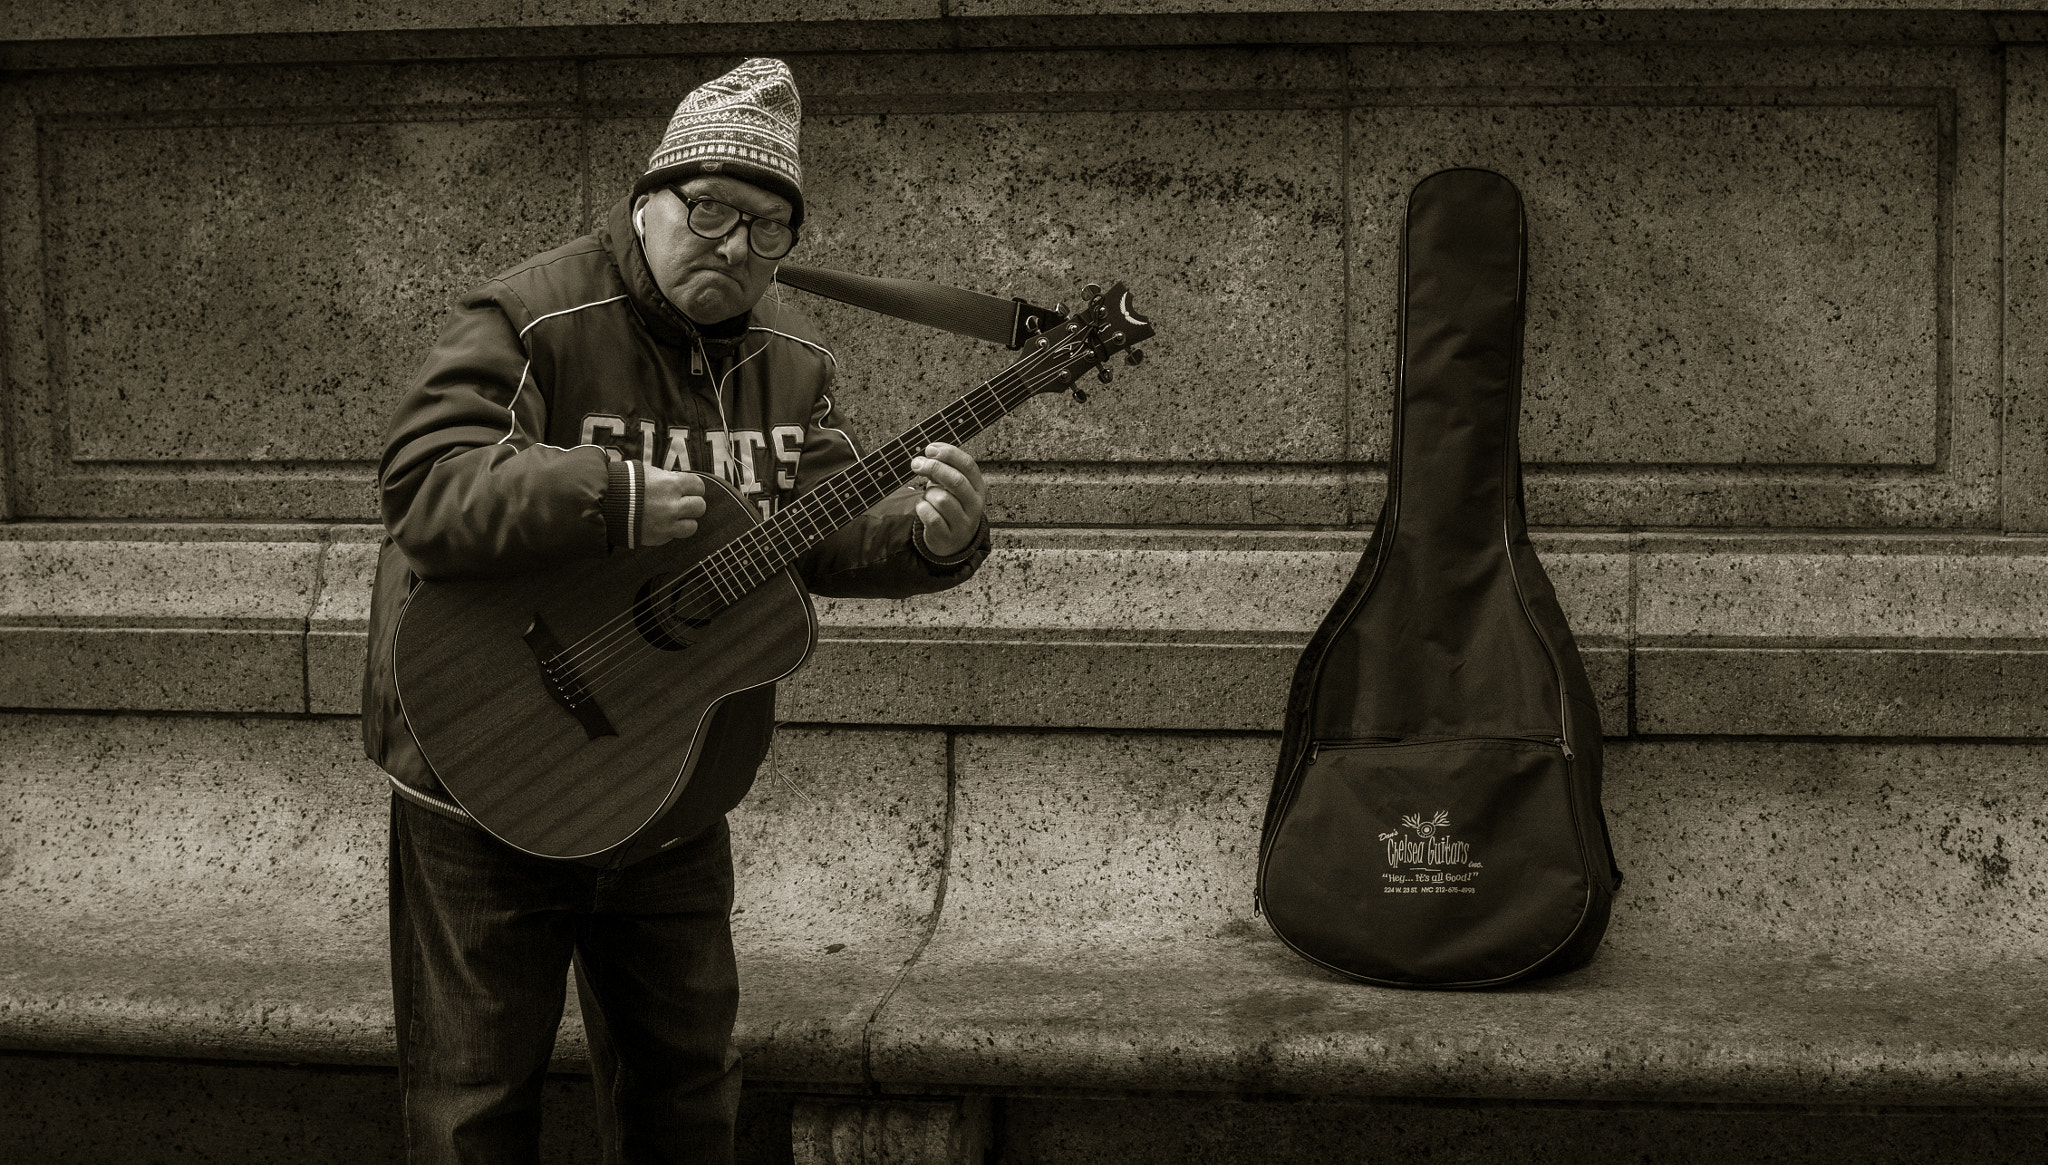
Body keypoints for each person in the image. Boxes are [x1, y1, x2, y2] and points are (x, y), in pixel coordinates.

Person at [359, 58, 990, 1163]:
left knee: (688, 1100)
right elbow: (428, 488)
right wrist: (608, 493)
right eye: (708, 211)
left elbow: (821, 527)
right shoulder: (530, 318)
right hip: (486, 771)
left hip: (667, 786)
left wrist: (929, 539)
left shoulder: (792, 365)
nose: (734, 247)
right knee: (469, 1108)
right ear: (646, 199)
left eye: (766, 229)